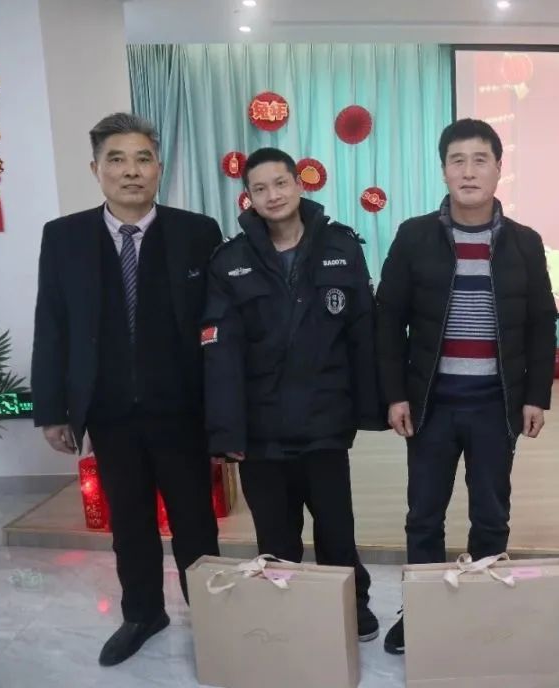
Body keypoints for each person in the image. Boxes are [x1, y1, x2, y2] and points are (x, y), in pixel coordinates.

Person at [31, 113, 221, 666]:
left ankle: (212, 618)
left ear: (159, 167)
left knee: (195, 522)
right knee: (129, 521)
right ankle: (143, 613)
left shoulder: (197, 232)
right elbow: (52, 325)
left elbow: (220, 326)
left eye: (142, 159)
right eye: (116, 159)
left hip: (182, 409)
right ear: (96, 169)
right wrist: (52, 409)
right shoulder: (63, 237)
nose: (131, 171)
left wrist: (226, 411)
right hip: (109, 410)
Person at [375, 118, 558, 655]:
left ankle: (483, 606)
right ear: (444, 171)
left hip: (495, 405)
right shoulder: (415, 236)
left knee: (491, 515)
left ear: (499, 169)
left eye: (481, 160)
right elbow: (387, 320)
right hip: (430, 403)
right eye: (458, 160)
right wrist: (395, 394)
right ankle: (422, 611)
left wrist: (536, 396)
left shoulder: (524, 243)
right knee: (423, 515)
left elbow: (542, 323)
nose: (469, 171)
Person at [201, 147, 383, 641]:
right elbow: (221, 354)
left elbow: (363, 333)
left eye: (281, 183)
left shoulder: (341, 247)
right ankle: (286, 617)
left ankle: (352, 606)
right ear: (249, 197)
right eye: (260, 188)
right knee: (276, 539)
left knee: (336, 531)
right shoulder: (230, 262)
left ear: (299, 185)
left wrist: (371, 408)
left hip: (325, 421)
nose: (273, 195)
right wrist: (226, 434)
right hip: (262, 431)